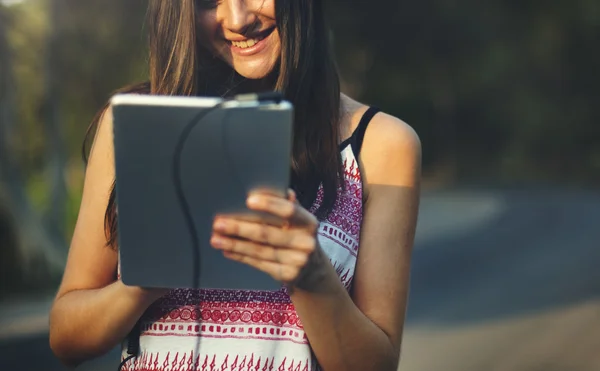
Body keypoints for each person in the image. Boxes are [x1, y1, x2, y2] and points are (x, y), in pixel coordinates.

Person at [48, 0, 421, 370]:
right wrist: (142, 284)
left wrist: (312, 277)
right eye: (210, 2)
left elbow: (376, 366)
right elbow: (65, 337)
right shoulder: (134, 127)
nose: (238, 19)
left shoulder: (382, 145)